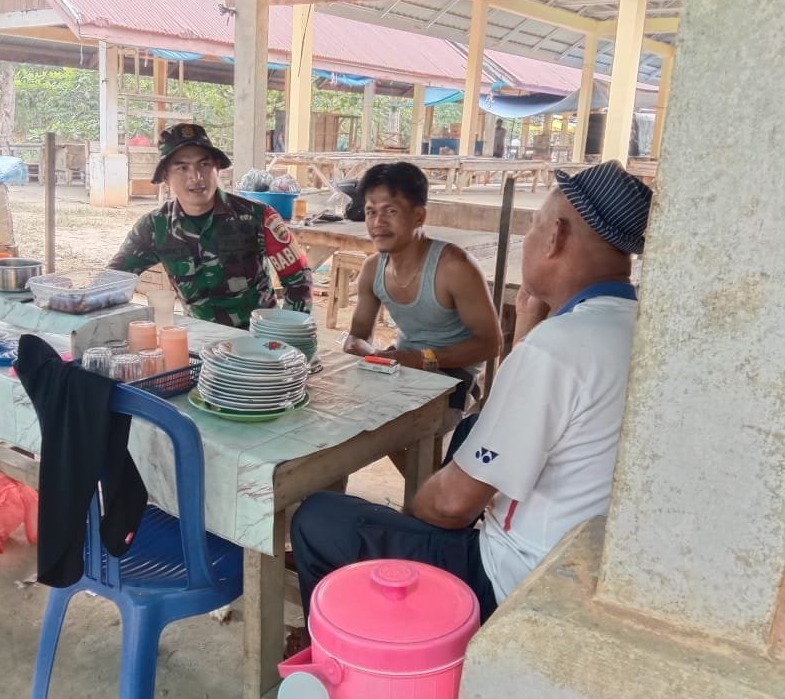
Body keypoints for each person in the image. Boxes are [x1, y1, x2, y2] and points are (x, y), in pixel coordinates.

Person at [291, 160, 653, 624]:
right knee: (470, 436)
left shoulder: (555, 346)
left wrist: (418, 510)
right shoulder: (638, 327)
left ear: (556, 236)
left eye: (533, 225)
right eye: (372, 210)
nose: (378, 220)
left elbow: (449, 506)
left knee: (320, 518)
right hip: (580, 565)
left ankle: (359, 651)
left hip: (511, 579)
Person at [343, 162, 502, 429]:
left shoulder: (454, 267)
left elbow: (491, 344)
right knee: (344, 411)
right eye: (371, 212)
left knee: (400, 429)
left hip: (455, 375)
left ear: (419, 216)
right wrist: (372, 354)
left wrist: (420, 360)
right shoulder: (372, 269)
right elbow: (357, 335)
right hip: (401, 367)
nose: (378, 223)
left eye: (390, 211)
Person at [109, 123, 313, 328]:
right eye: (182, 168)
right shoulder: (154, 227)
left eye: (204, 164)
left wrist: (287, 333)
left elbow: (299, 278)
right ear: (165, 177)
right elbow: (112, 280)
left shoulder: (258, 217)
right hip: (199, 337)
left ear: (217, 168)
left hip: (256, 336)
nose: (196, 177)